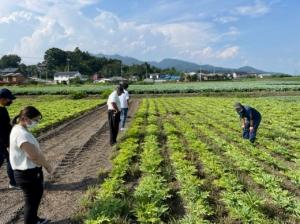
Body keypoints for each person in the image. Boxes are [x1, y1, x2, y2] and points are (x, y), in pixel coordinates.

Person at [10, 106, 52, 224]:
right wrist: (47, 166)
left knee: (34, 198)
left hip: (28, 172)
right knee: (31, 200)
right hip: (27, 174)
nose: (36, 123)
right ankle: (30, 221)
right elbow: (34, 156)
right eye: (35, 120)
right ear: (24, 118)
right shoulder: (21, 134)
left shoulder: (19, 129)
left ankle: (33, 219)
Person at [0, 88, 17, 188]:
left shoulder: (2, 108)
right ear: (2, 99)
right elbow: (1, 131)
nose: (10, 101)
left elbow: (5, 125)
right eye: (8, 99)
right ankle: (13, 183)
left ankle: (13, 182)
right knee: (10, 159)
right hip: (2, 141)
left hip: (4, 140)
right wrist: (7, 145)